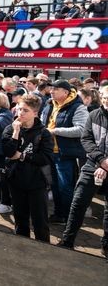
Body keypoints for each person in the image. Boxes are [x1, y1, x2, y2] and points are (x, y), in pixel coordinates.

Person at [58, 85, 108, 259]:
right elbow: (86, 139)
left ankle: (106, 246)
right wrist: (102, 161)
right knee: (78, 202)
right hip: (92, 164)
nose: (106, 100)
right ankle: (67, 240)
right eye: (103, 96)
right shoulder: (94, 114)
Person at [2, 94, 53, 242]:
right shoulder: (10, 128)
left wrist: (23, 156)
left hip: (37, 182)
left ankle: (44, 249)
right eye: (19, 109)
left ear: (35, 113)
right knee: (20, 219)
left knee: (40, 221)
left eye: (25, 110)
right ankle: (21, 247)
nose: (20, 113)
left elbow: (45, 158)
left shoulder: (43, 133)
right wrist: (16, 133)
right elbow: (9, 152)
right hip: (16, 180)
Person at [40, 79, 89, 225]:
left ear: (66, 92)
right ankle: (59, 214)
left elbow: (81, 130)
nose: (52, 91)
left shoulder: (78, 107)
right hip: (50, 152)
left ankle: (68, 217)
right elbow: (44, 123)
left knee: (65, 186)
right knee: (54, 185)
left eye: (55, 89)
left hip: (65, 154)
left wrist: (54, 131)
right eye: (51, 89)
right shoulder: (50, 103)